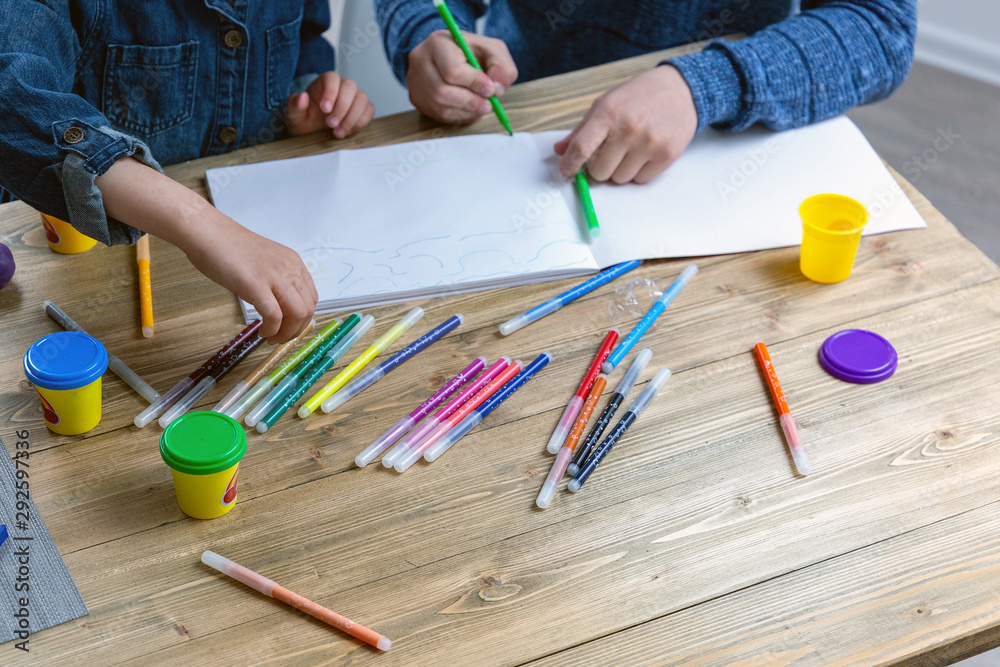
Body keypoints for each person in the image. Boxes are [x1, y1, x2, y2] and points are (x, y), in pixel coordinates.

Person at [0, 1, 375, 343]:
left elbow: (307, 40)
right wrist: (199, 221)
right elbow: (11, 98)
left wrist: (310, 94)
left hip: (258, 221)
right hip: (90, 270)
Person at [376, 0, 916, 185]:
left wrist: (703, 85)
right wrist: (423, 32)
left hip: (733, 146)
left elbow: (881, 28)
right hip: (518, 117)